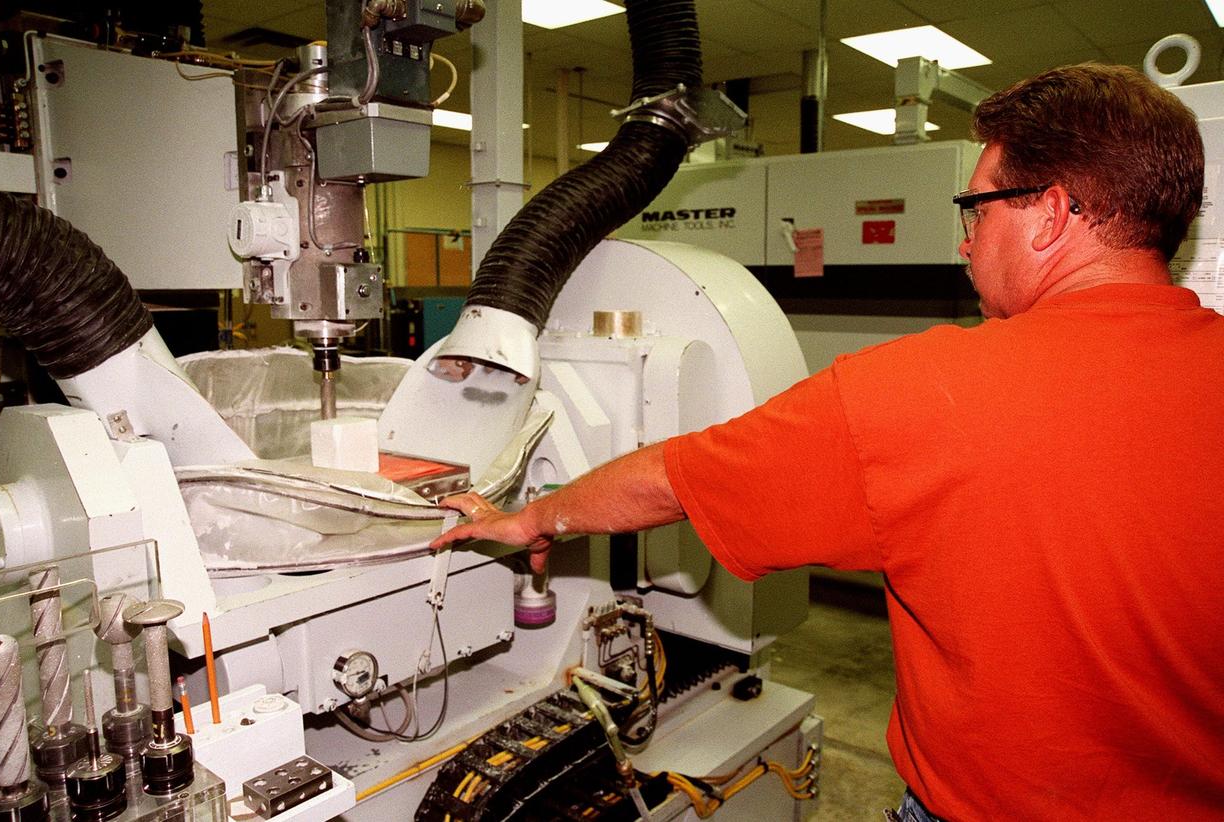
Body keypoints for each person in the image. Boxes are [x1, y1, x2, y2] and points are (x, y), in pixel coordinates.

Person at [432, 63, 1224, 820]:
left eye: (976, 209)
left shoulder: (927, 390)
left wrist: (532, 520)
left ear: (1050, 216)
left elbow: (675, 481)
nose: (965, 240)